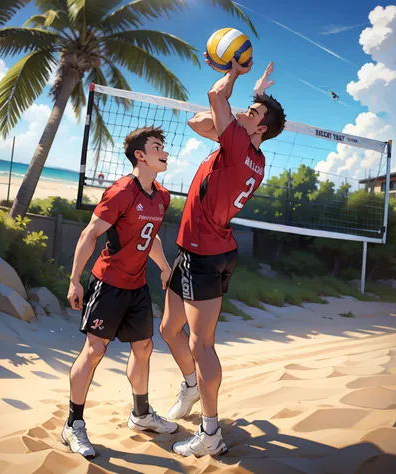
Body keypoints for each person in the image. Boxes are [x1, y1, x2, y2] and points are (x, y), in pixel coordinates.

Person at [160, 58, 286, 458]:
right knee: (168, 328)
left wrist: (234, 74)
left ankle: (210, 432)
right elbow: (199, 122)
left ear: (260, 129)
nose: (246, 113)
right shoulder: (254, 156)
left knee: (202, 345)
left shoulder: (237, 144)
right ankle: (191, 387)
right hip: (202, 249)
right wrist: (255, 99)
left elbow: (215, 96)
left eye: (253, 114)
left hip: (205, 255)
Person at [61, 126, 177, 460]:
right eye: (157, 146)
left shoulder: (162, 196)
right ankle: (73, 424)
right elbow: (90, 233)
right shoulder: (121, 192)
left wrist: (165, 266)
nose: (164, 151)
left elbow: (149, 236)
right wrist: (74, 279)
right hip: (108, 284)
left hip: (137, 286)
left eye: (163, 146)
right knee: (95, 349)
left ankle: (141, 415)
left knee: (144, 347)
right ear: (140, 155)